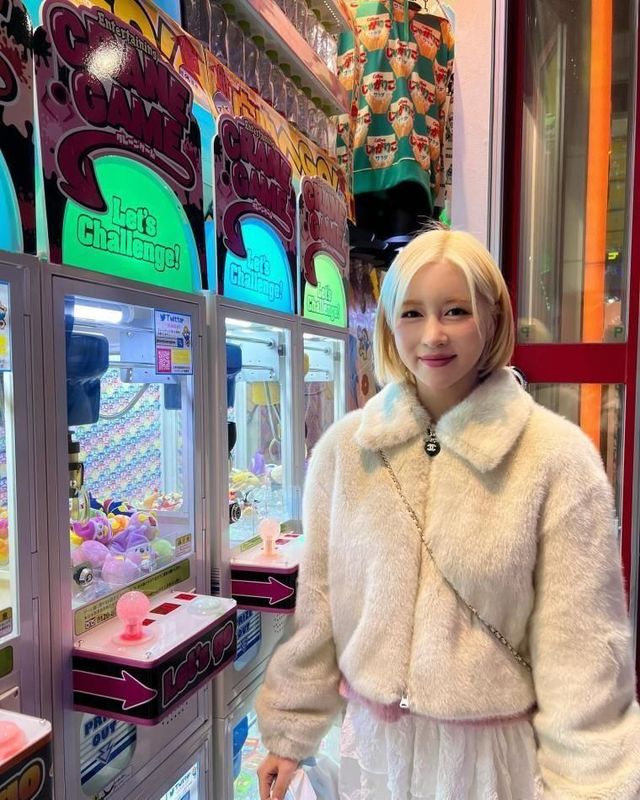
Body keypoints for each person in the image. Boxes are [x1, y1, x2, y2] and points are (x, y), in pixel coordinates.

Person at [256, 228, 640, 800]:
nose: (432, 335)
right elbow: (321, 612)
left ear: (493, 317)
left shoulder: (555, 459)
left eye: (455, 311)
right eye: (412, 313)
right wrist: (290, 735)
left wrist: (590, 787)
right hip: (373, 753)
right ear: (390, 324)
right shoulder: (345, 452)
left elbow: (581, 651)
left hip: (489, 763)